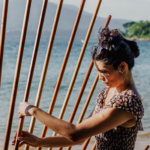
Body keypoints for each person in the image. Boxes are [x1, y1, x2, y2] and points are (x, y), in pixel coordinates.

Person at [12, 27, 144, 150]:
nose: (100, 77)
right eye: (97, 71)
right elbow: (81, 138)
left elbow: (75, 133)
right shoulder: (107, 93)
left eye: (104, 71)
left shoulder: (129, 102)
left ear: (122, 67)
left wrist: (32, 110)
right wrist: (39, 142)